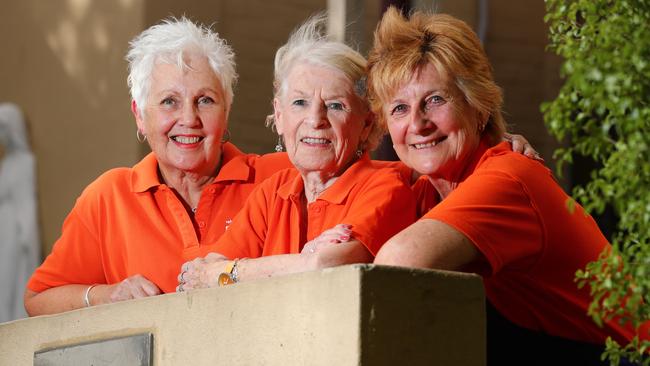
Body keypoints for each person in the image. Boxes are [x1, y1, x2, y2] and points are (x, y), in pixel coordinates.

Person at [367, 8, 633, 364]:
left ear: (478, 107)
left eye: (435, 100)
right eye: (399, 108)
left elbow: (398, 266)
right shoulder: (426, 192)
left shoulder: (508, 178)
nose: (418, 123)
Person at [24, 18, 293, 316]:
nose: (189, 118)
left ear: (226, 111)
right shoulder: (108, 198)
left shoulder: (281, 177)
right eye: (169, 101)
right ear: (140, 115)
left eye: (205, 100)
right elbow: (39, 300)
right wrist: (105, 295)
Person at [178, 15, 416, 289]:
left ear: (366, 124)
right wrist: (301, 261)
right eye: (300, 103)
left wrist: (231, 272)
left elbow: (327, 267)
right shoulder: (272, 193)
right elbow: (202, 274)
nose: (315, 120)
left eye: (336, 106)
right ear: (279, 116)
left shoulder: (386, 188)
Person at [0, 103, 40, 322]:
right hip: (3, 228)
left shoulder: (26, 162)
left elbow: (27, 204)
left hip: (13, 233)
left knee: (9, 279)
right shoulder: (6, 163)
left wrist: (27, 237)